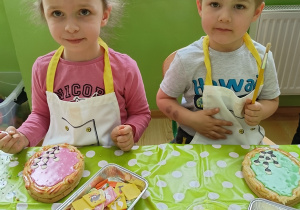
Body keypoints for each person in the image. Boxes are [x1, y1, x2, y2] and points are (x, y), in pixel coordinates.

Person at [0, 0, 151, 154]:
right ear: (46, 17)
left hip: (111, 159)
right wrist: (23, 136)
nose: (71, 28)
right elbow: (41, 115)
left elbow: (140, 113)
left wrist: (130, 131)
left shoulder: (124, 67)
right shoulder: (42, 68)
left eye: (84, 12)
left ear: (104, 16)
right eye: (57, 13)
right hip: (59, 161)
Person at [156, 0, 280, 145]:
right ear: (200, 7)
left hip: (245, 142)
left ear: (256, 12)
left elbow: (271, 100)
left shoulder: (263, 58)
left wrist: (261, 110)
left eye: (239, 6)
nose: (224, 17)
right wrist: (192, 120)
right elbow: (164, 99)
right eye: (215, 4)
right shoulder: (186, 59)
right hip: (192, 142)